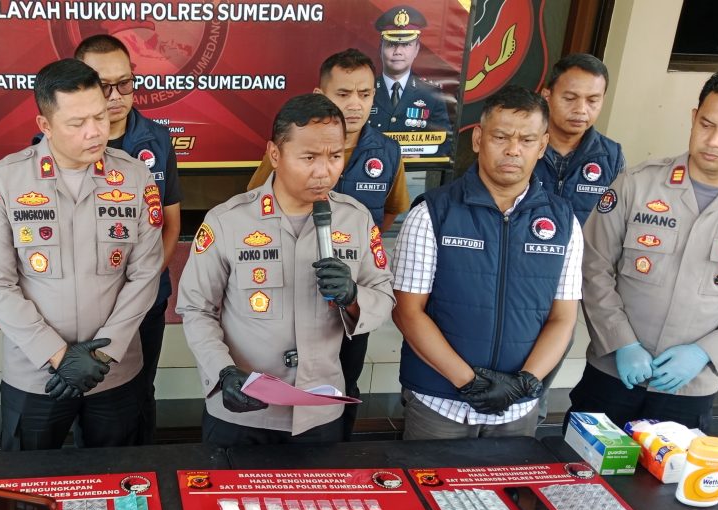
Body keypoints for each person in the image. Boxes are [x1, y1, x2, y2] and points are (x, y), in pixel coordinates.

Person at [177, 94, 395, 447]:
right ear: (275, 155)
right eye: (309, 158)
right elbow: (196, 309)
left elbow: (383, 296)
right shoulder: (227, 221)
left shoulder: (355, 220)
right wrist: (222, 372)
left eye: (335, 156)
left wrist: (354, 297)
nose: (324, 171)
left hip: (319, 410)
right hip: (242, 408)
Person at [0, 59, 162, 451]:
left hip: (113, 373)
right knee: (29, 479)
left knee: (119, 476)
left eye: (100, 117)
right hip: (37, 374)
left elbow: (145, 274)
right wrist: (57, 355)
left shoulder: (135, 177)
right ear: (45, 125)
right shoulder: (3, 181)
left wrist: (104, 353)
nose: (94, 132)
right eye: (77, 123)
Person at [392, 85, 582, 439]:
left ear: (542, 146)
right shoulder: (432, 213)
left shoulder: (563, 222)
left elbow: (563, 318)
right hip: (439, 404)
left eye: (527, 140)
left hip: (518, 407)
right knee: (429, 478)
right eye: (501, 137)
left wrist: (525, 382)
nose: (513, 150)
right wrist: (470, 382)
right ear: (478, 139)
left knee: (509, 479)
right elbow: (407, 312)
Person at [568, 66, 718, 432]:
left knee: (668, 471)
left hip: (689, 386)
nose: (714, 140)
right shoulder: (637, 184)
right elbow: (592, 266)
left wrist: (706, 353)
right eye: (707, 124)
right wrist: (621, 342)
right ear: (694, 118)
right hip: (613, 374)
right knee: (583, 465)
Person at [247, 48, 408, 439]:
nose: (354, 104)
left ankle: (337, 453)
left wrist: (353, 262)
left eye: (364, 94)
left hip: (350, 302)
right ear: (321, 94)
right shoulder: (289, 146)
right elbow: (254, 210)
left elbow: (387, 213)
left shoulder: (387, 153)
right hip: (292, 293)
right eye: (343, 94)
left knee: (344, 384)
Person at [75, 35, 182, 445]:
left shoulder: (157, 139)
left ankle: (144, 468)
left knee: (140, 388)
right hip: (86, 302)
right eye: (103, 86)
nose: (116, 96)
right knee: (88, 389)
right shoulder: (60, 144)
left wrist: (141, 285)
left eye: (124, 83)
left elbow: (170, 224)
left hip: (147, 297)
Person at [532, 53, 625, 422]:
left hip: (569, 287)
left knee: (540, 378)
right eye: (570, 98)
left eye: (593, 100)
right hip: (515, 276)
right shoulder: (524, 142)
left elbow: (615, 226)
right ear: (547, 95)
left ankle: (528, 428)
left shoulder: (610, 156)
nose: (581, 110)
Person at [368, 5, 452, 157]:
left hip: (415, 170)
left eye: (406, 44)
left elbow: (445, 143)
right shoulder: (365, 89)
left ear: (417, 49)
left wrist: (420, 155)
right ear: (380, 48)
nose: (398, 52)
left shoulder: (432, 94)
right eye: (391, 44)